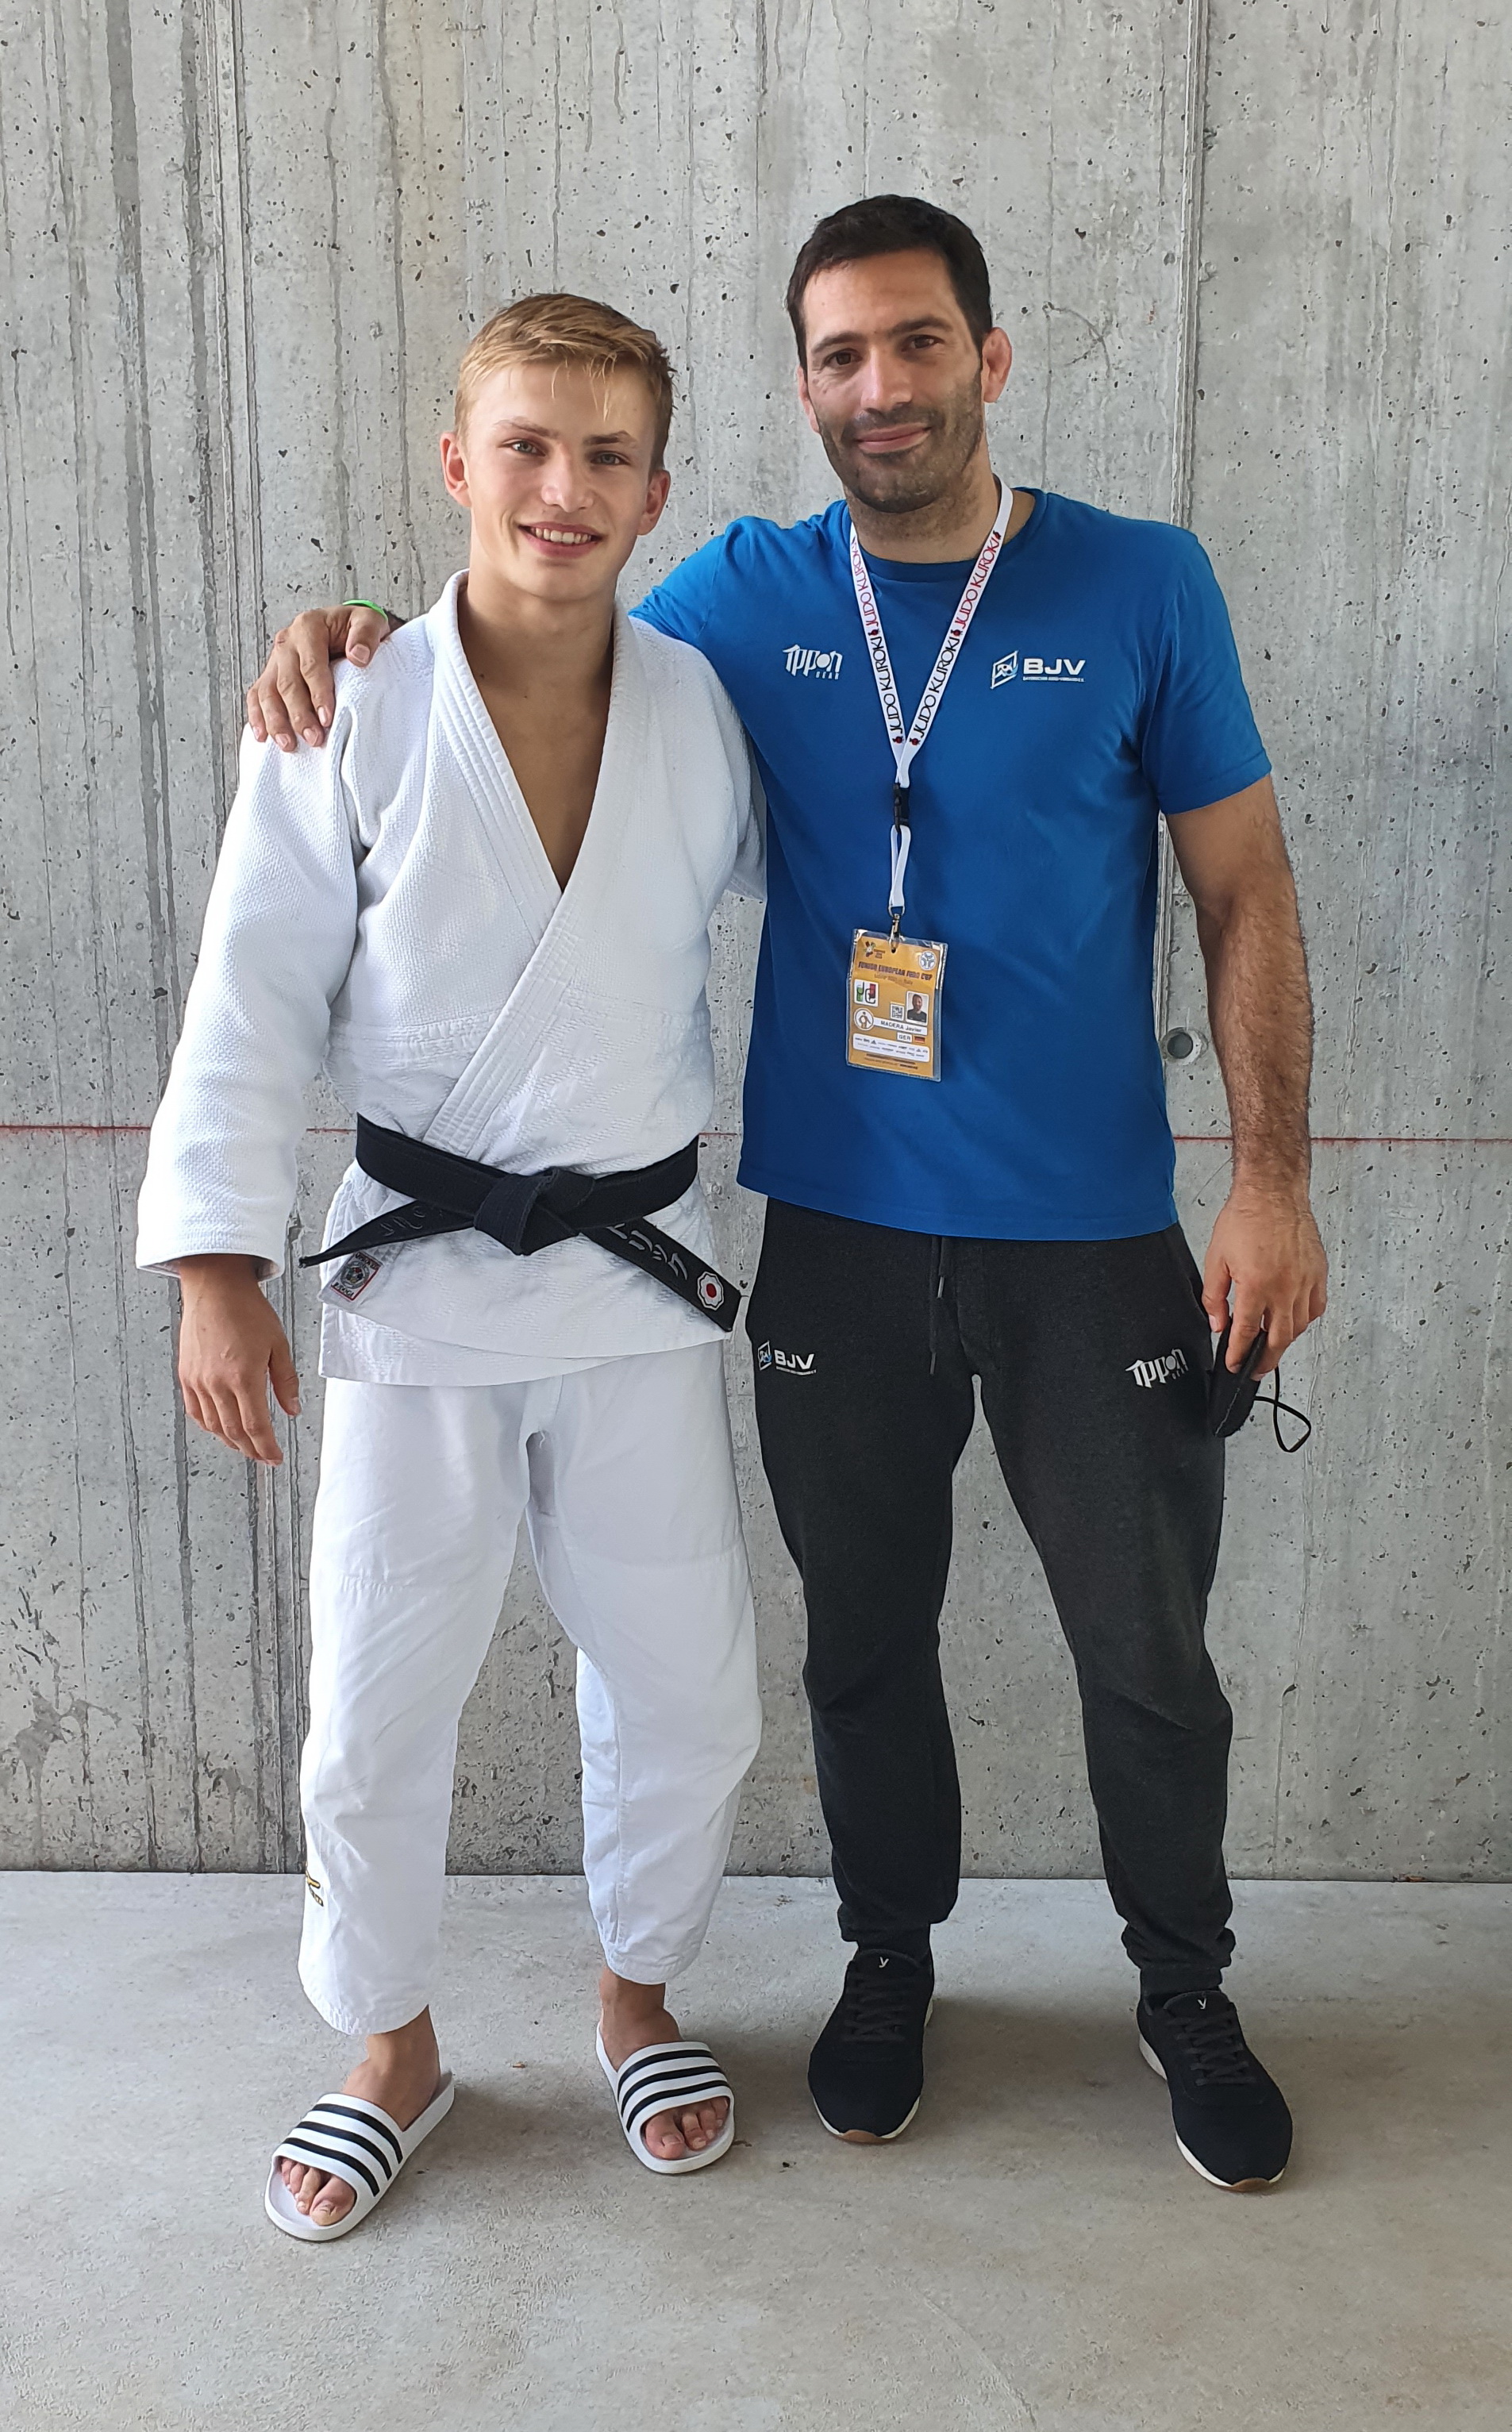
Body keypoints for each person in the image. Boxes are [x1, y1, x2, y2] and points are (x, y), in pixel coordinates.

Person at [248, 196, 1328, 2194]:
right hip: (833, 1227)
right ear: (802, 386)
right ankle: (885, 1959)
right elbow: (531, 616)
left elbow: (1241, 886)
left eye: (914, 343)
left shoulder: (1142, 584)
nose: (877, 385)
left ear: (986, 357)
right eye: (837, 354)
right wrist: (351, 632)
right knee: (859, 1641)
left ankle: (1183, 1984)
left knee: (1145, 1648)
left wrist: (1268, 1179)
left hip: (1095, 1233)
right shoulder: (741, 595)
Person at [139, 294, 766, 2239]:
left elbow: (820, 869)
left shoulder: (701, 704)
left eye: (604, 456)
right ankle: (388, 2042)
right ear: (454, 464)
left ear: (656, 490)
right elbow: (251, 992)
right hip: (414, 1289)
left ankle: (635, 1990)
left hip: (638, 1283)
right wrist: (216, 1263)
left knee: (685, 1680)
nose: (561, 488)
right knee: (377, 1696)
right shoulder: (350, 704)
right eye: (524, 446)